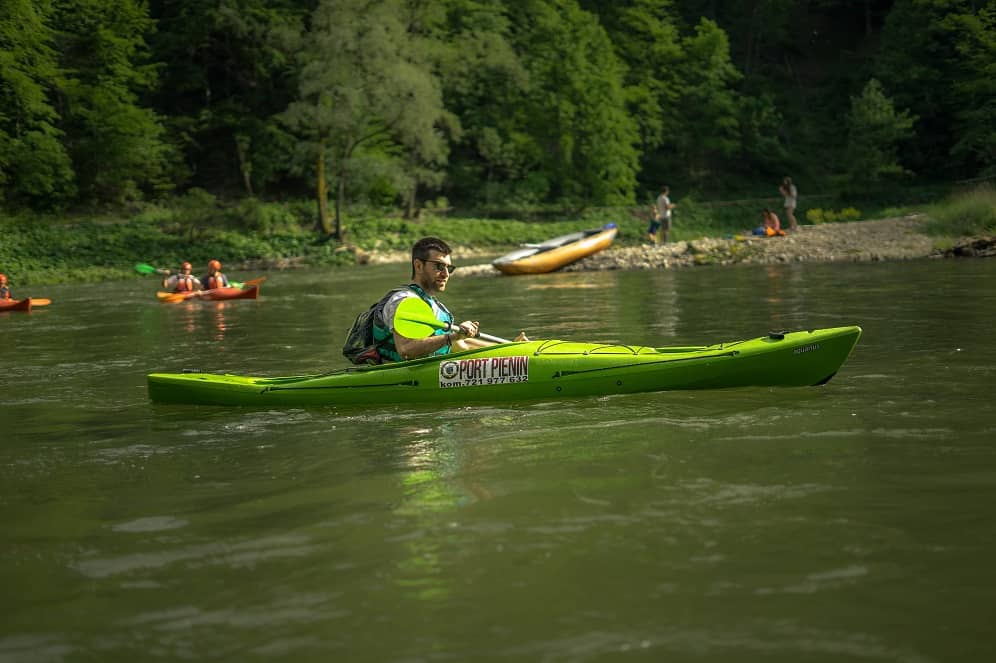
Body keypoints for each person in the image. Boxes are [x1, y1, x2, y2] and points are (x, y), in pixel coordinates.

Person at [373, 237, 527, 362]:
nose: (446, 274)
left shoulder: (434, 305)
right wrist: (452, 336)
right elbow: (406, 350)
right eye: (439, 266)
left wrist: (509, 350)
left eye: (449, 268)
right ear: (419, 266)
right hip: (399, 377)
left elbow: (460, 344)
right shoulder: (403, 301)